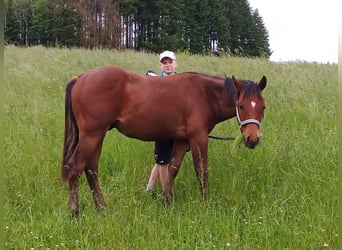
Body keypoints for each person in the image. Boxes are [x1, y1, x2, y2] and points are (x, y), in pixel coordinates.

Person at [146, 50, 177, 195]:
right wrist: (150, 75)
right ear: (160, 66)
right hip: (161, 126)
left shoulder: (181, 81)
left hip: (176, 126)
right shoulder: (156, 80)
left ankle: (150, 187)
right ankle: (166, 192)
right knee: (163, 161)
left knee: (163, 159)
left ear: (175, 63)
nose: (168, 65)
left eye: (170, 62)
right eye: (164, 63)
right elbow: (147, 75)